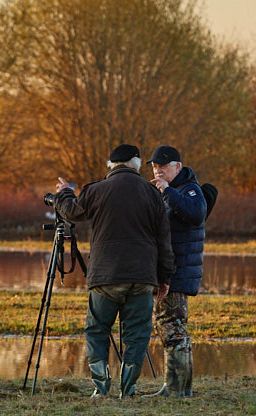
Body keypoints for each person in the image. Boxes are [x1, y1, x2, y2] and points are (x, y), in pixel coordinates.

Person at [54, 144, 174, 398]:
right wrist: (164, 278)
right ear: (137, 164)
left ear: (111, 165)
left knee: (97, 330)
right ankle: (127, 389)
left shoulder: (95, 190)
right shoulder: (152, 194)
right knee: (137, 334)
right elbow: (165, 242)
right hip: (142, 277)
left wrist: (64, 193)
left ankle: (101, 386)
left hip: (105, 277)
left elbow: (71, 211)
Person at [148, 145, 207, 397]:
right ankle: (174, 387)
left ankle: (179, 389)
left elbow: (196, 213)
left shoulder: (189, 189)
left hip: (178, 274)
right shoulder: (172, 192)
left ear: (178, 167)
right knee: (169, 327)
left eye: (164, 166)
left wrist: (166, 191)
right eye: (154, 166)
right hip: (169, 271)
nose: (158, 170)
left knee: (173, 330)